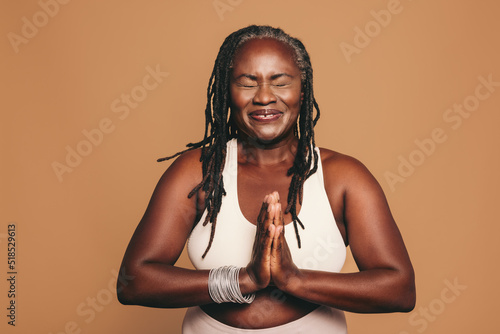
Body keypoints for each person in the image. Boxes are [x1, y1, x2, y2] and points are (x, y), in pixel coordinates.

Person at [117, 25, 415, 333]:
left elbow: (399, 289)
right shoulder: (199, 171)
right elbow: (134, 282)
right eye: (247, 84)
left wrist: (292, 279)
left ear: (303, 89)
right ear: (226, 93)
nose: (264, 97)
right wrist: (244, 279)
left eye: (280, 82)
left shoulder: (342, 178)